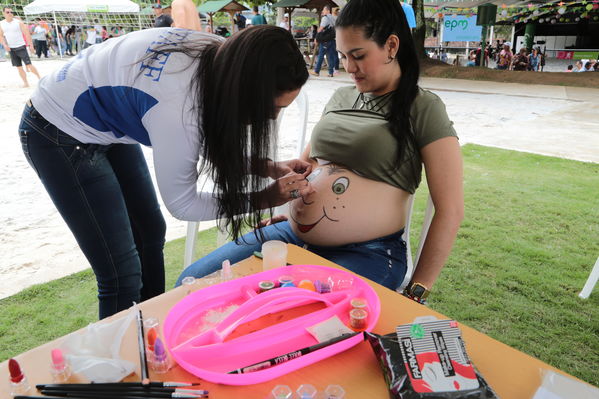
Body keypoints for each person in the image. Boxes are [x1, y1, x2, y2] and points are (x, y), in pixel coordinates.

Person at [178, 0, 464, 304]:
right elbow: (309, 168)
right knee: (193, 283)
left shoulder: (423, 107)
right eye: (342, 56)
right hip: (291, 235)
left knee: (292, 315)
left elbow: (450, 210)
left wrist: (418, 289)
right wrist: (286, 212)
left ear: (391, 46)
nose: (348, 67)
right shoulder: (341, 96)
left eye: (358, 55)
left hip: (367, 253)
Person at [19, 26, 310, 319]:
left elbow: (202, 136)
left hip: (102, 121)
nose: (272, 117)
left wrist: (266, 166)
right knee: (121, 273)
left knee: (150, 232)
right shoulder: (180, 105)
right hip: (55, 131)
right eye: (271, 108)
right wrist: (262, 198)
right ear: (244, 88)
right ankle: (121, 359)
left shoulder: (227, 59)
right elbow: (183, 204)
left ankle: (152, 326)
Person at [0, 7, 41, 87]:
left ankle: (40, 78)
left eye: (11, 12)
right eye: (7, 12)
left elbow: (27, 34)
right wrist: (5, 45)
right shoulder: (1, 24)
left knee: (29, 65)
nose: (10, 13)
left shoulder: (18, 22)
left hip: (21, 46)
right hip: (11, 48)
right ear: (3, 13)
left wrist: (31, 45)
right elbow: (1, 36)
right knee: (19, 67)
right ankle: (26, 83)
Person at [310, 5, 336, 78]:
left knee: (321, 55)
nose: (322, 11)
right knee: (330, 56)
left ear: (328, 11)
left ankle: (316, 71)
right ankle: (331, 73)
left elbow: (320, 29)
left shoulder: (325, 18)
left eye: (324, 10)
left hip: (325, 40)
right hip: (331, 39)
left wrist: (316, 38)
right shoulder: (333, 18)